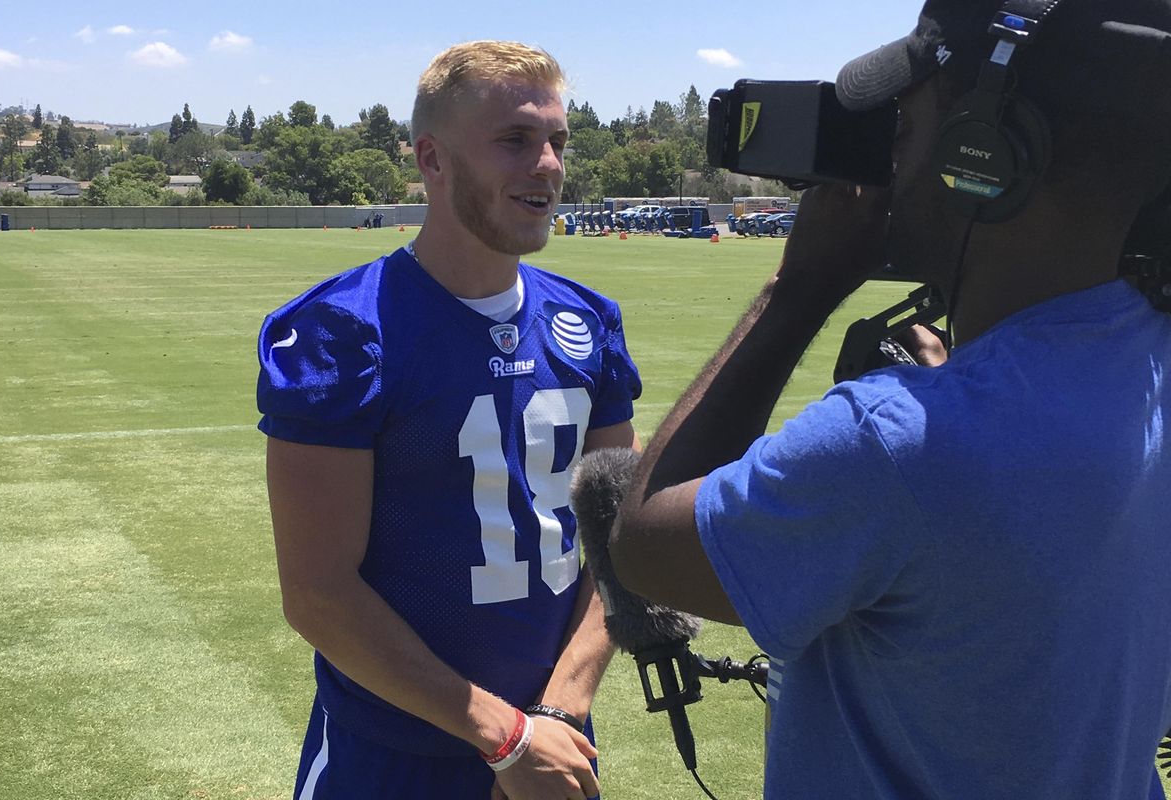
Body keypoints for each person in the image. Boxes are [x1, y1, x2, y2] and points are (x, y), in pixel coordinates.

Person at [611, 1, 1171, 798]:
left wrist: (797, 291)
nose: (885, 163)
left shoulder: (898, 441)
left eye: (904, 131)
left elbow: (646, 545)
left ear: (988, 154)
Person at [257, 41, 641, 800]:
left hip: (554, 744)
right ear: (432, 160)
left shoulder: (588, 321)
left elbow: (617, 539)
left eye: (557, 141)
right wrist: (501, 735)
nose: (548, 165)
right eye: (514, 141)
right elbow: (319, 593)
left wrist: (554, 715)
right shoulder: (342, 331)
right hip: (393, 756)